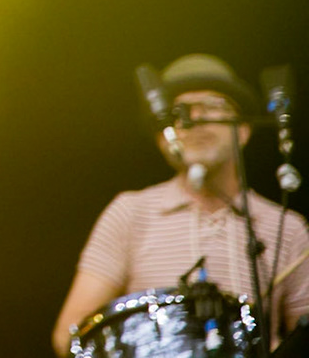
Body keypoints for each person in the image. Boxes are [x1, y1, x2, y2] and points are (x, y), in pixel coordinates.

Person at [51, 54, 309, 355]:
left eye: (212, 105)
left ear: (243, 130)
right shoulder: (131, 212)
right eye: (180, 111)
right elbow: (70, 333)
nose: (195, 118)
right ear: (165, 138)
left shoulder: (287, 227)